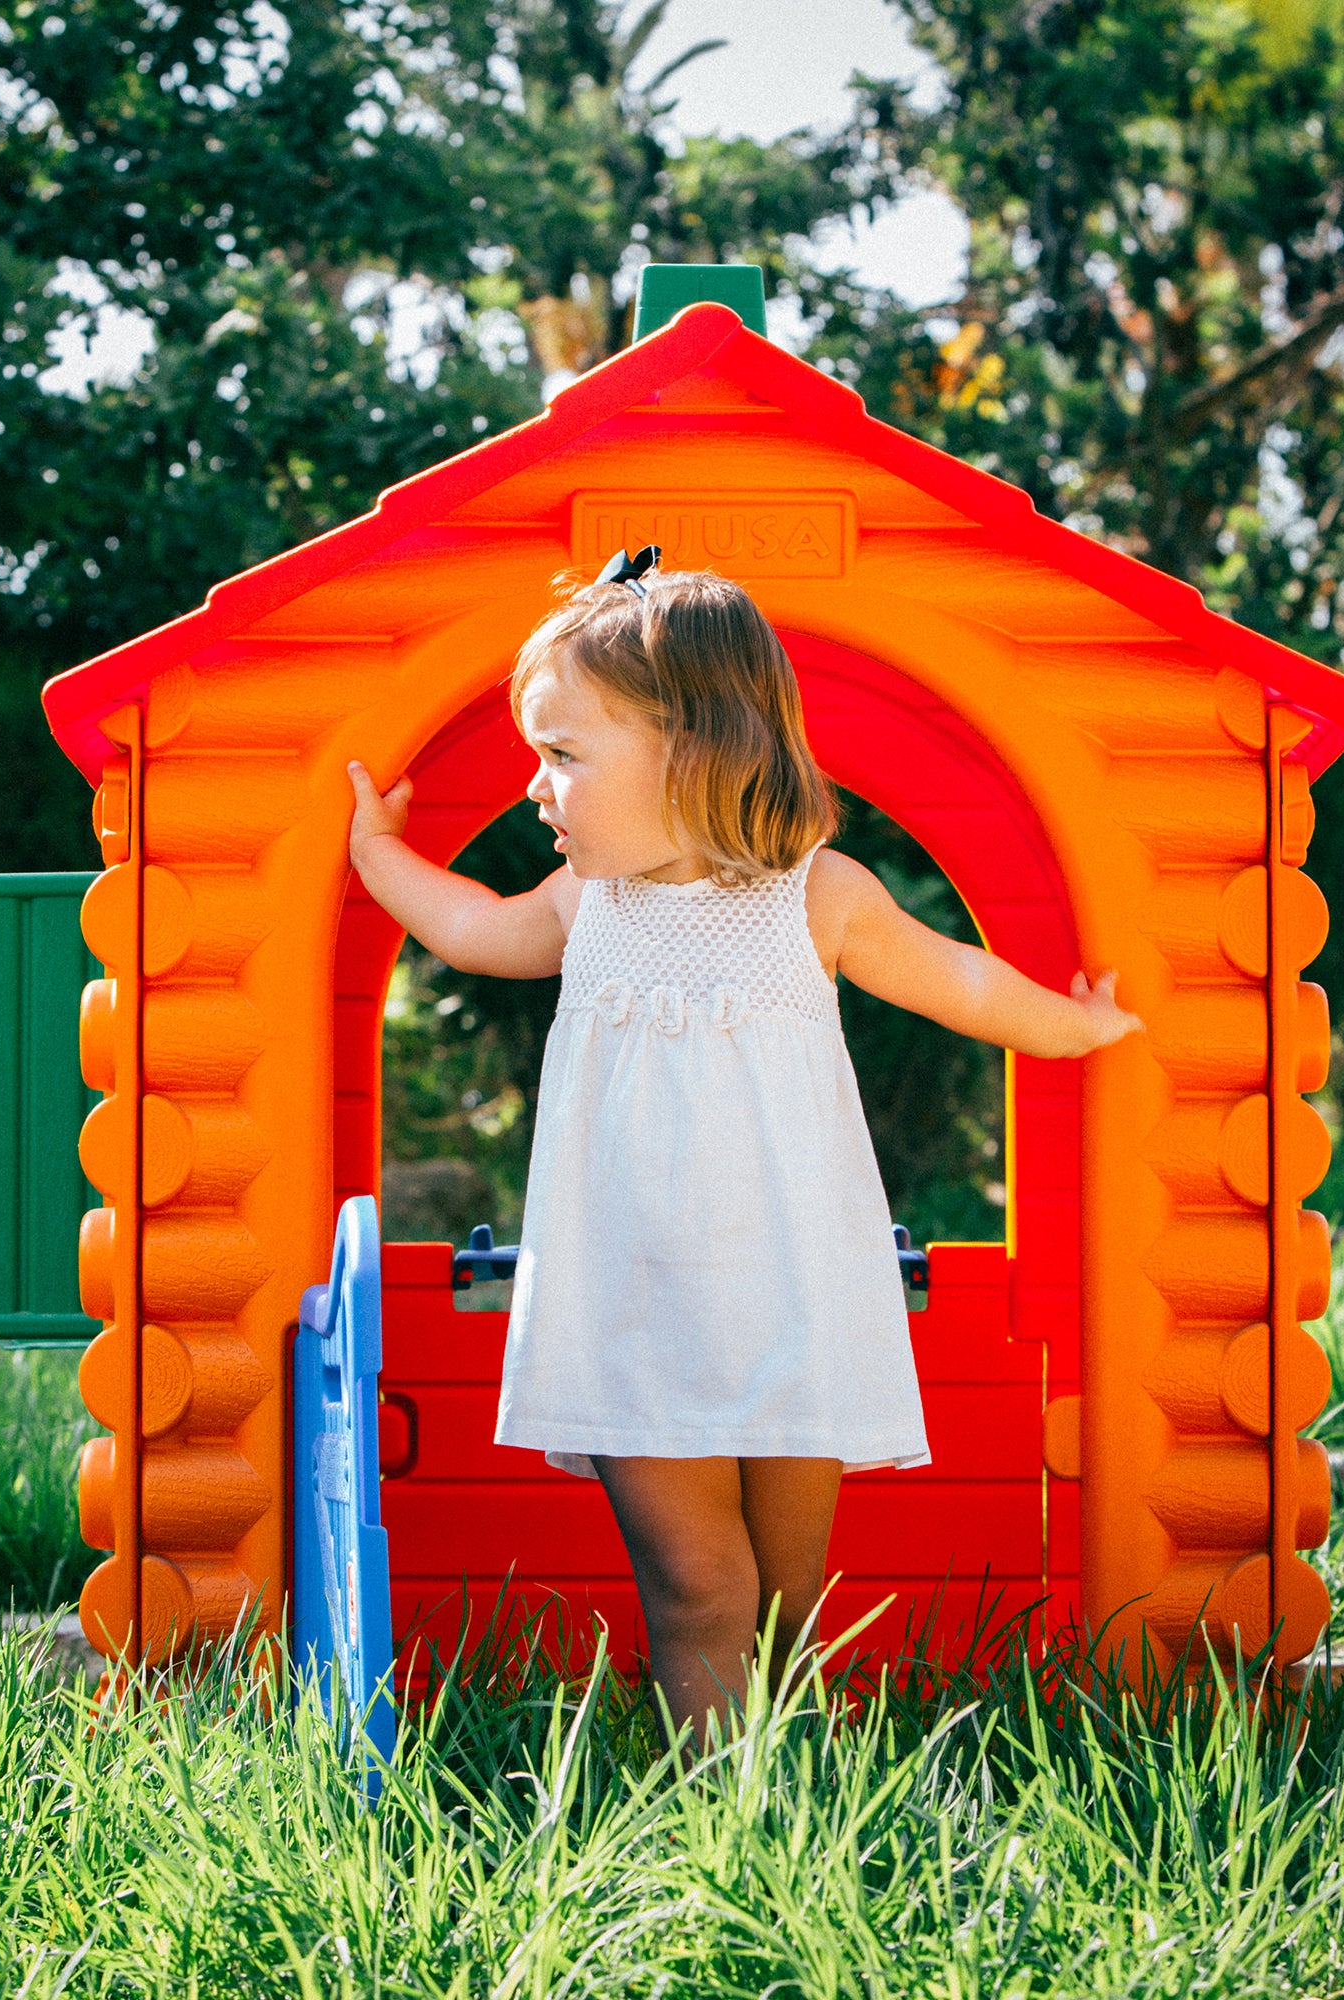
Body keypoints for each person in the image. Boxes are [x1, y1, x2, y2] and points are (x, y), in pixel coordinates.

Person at [344, 551, 1143, 1747]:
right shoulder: (585, 906)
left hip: (792, 1299)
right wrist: (375, 856)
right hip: (629, 1305)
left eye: (564, 754)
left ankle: (789, 1816)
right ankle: (720, 1821)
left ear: (690, 745)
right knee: (698, 1586)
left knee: (782, 1595)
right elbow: (468, 929)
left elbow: (958, 980)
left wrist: (1074, 1023)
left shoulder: (812, 897)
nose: (535, 786)